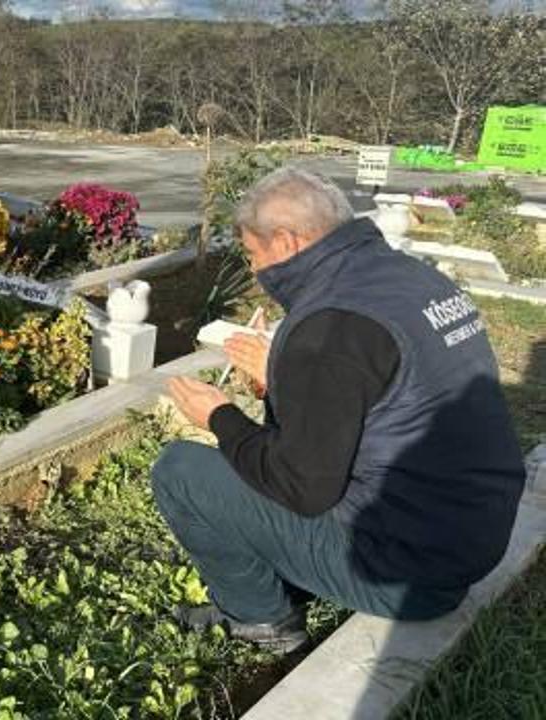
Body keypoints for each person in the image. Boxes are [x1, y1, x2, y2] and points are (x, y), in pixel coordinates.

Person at [156, 167, 525, 653]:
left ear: (285, 242)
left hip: (403, 575)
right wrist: (283, 380)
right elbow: (381, 400)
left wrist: (219, 416)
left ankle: (262, 620)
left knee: (182, 470)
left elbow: (301, 487)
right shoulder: (415, 281)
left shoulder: (328, 328)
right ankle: (292, 575)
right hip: (467, 538)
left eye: (251, 253)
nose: (252, 269)